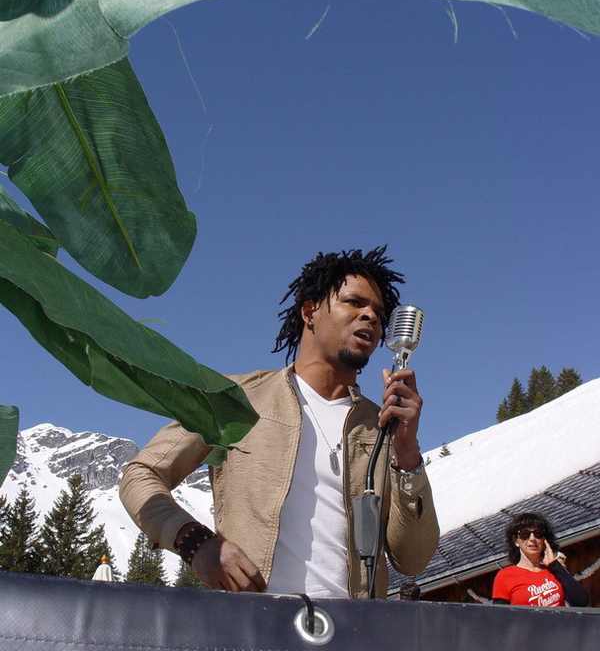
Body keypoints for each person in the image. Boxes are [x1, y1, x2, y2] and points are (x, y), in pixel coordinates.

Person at [120, 247, 439, 599]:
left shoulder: (382, 428)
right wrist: (195, 542)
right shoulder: (236, 398)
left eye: (379, 313)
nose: (371, 317)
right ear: (309, 311)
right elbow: (142, 474)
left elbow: (414, 559)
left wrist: (406, 452)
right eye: (354, 302)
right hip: (252, 622)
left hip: (354, 628)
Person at [492, 512, 589, 607]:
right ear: (516, 541)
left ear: (544, 540)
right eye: (525, 534)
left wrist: (554, 564)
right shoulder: (504, 576)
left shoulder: (554, 570)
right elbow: (500, 615)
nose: (532, 539)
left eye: (538, 534)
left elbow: (582, 601)